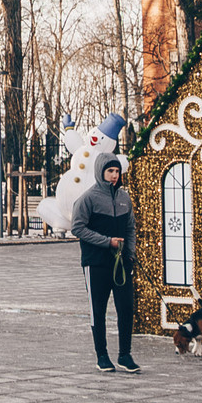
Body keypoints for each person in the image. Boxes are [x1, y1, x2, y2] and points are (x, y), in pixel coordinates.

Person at [74, 153, 139, 374]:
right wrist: (106, 242)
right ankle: (102, 355)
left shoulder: (124, 198)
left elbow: (130, 227)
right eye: (110, 171)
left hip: (121, 264)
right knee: (98, 310)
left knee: (126, 308)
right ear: (101, 172)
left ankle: (125, 354)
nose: (114, 175)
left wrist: (129, 253)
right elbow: (78, 228)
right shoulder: (88, 198)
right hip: (96, 263)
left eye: (117, 171)